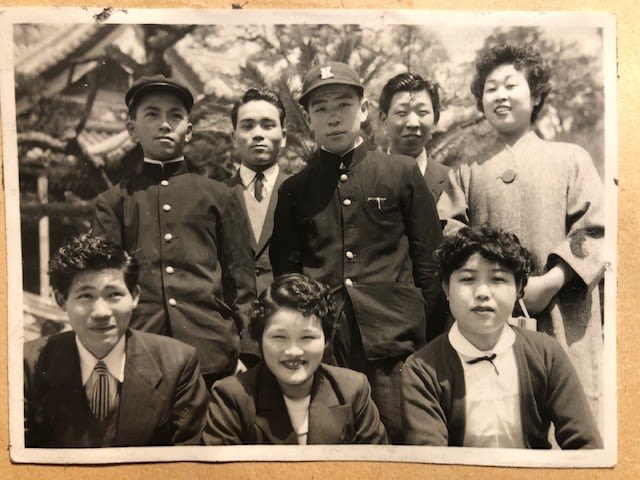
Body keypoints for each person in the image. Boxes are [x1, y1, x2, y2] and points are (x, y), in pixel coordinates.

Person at [270, 61, 443, 442]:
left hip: (395, 346)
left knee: (402, 441)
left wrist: (417, 333)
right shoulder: (295, 191)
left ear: (364, 110)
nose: (333, 117)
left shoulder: (399, 172)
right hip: (326, 345)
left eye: (343, 105)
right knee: (332, 442)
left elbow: (430, 264)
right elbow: (288, 274)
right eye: (321, 109)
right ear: (308, 119)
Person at [436, 43, 605, 423]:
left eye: (511, 85)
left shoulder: (571, 158)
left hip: (562, 307)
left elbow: (593, 230)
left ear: (536, 93)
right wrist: (495, 282)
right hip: (491, 310)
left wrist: (551, 281)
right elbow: (450, 230)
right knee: (498, 418)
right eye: (490, 87)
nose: (500, 94)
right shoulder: (466, 169)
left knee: (568, 416)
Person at [91, 75, 257, 388]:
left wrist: (247, 353)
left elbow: (242, 284)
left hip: (213, 354)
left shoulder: (219, 196)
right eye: (152, 114)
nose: (164, 124)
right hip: (140, 354)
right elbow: (105, 284)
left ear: (189, 130)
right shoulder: (114, 202)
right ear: (132, 130)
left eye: (176, 116)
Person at [402, 226, 602, 449]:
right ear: (447, 289)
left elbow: (586, 447)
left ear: (518, 289)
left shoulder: (547, 354)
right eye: (468, 279)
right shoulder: (422, 369)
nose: (482, 293)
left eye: (498, 280)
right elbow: (430, 463)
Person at [24, 234, 209, 447]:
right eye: (86, 296)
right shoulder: (27, 364)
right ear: (61, 300)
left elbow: (187, 463)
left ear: (135, 296)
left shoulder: (177, 364)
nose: (101, 312)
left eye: (114, 295)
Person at [202, 274, 388, 445]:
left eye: (307, 337)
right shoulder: (231, 396)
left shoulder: (353, 389)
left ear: (326, 339)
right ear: (260, 339)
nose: (293, 351)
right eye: (279, 337)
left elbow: (379, 470)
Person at [226, 88, 291, 295]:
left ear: (283, 136)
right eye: (247, 126)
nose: (258, 135)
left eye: (268, 125)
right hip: (231, 317)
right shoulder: (216, 194)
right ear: (234, 137)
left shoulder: (301, 192)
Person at [378, 72, 450, 202]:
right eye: (401, 113)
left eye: (422, 112)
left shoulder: (452, 181)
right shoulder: (366, 178)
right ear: (384, 120)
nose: (413, 123)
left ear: (435, 120)